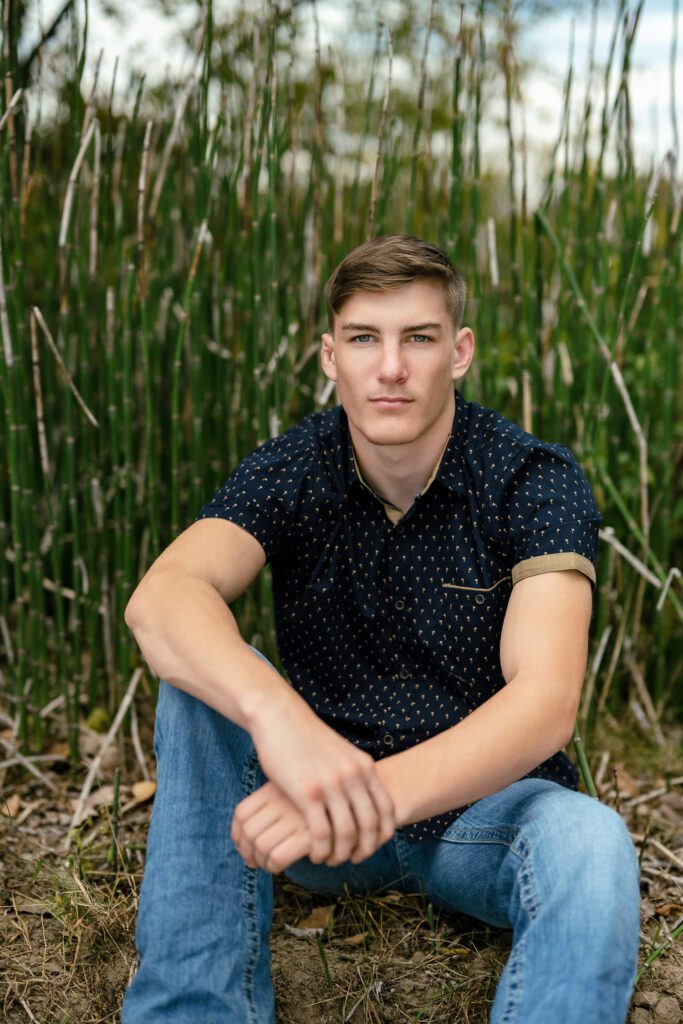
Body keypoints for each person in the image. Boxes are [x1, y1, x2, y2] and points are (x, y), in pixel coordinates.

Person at [121, 234, 640, 1023]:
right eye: (364, 338)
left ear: (458, 351)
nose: (389, 367)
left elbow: (545, 702)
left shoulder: (532, 477)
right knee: (199, 681)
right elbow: (161, 598)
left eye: (418, 338)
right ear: (330, 355)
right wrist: (281, 723)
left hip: (478, 820)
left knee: (592, 841)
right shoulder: (290, 466)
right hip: (321, 825)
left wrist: (369, 793)